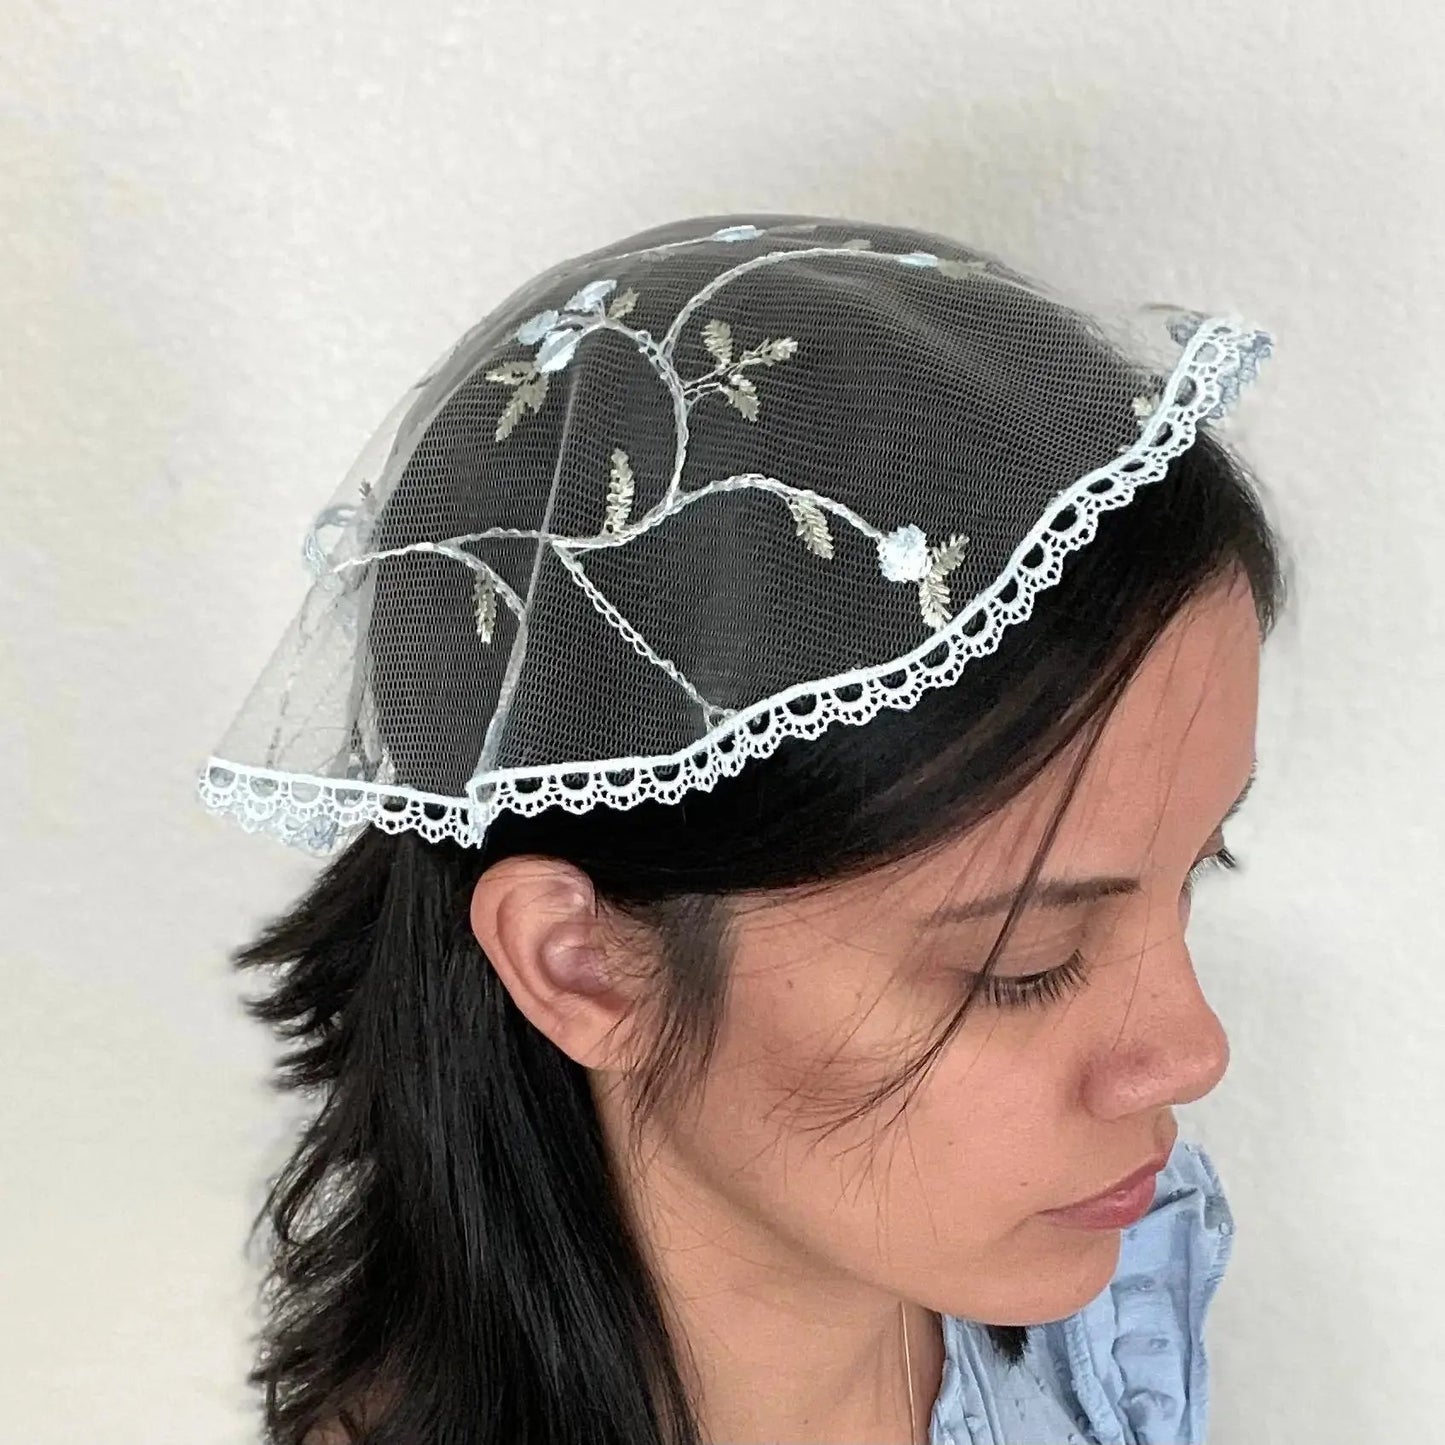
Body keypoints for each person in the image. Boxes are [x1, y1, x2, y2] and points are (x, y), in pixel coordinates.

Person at [197, 214, 1285, 1444]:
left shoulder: (1116, 1293)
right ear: (580, 958)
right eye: (1018, 965)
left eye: (1196, 866)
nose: (1190, 1050)